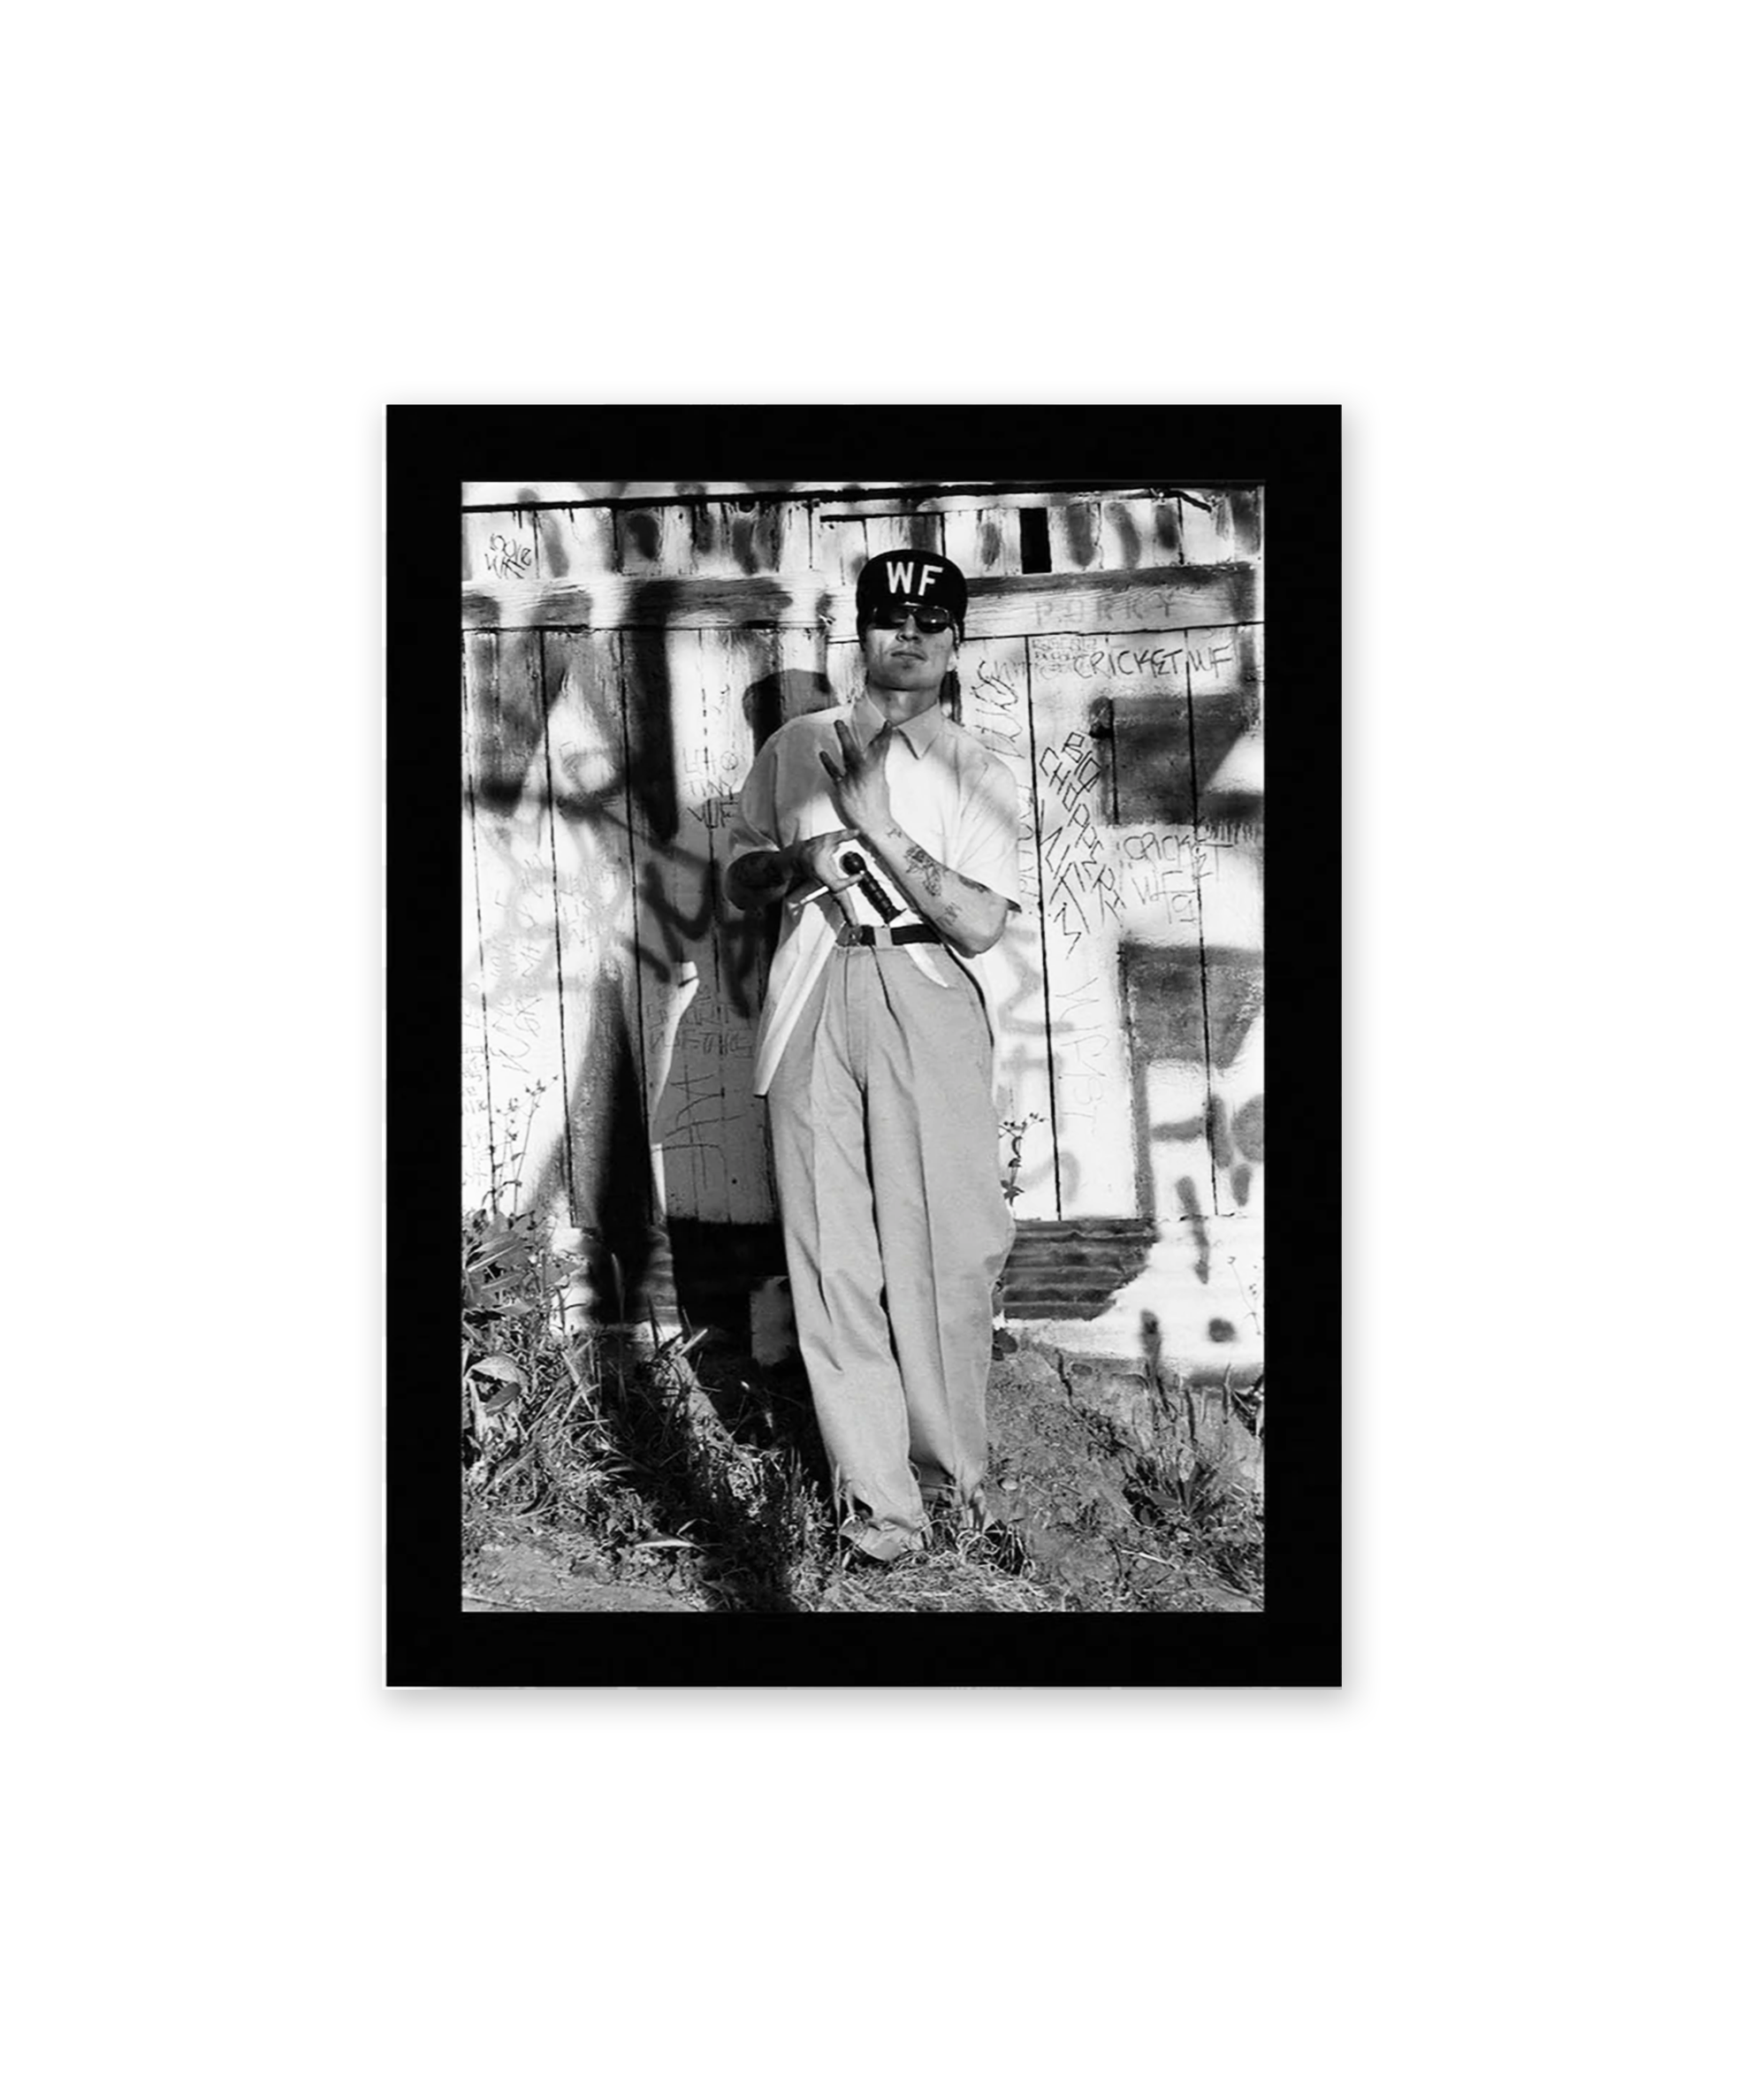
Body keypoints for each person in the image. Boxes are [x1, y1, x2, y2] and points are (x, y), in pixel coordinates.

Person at [725, 550, 1023, 1565]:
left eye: (929, 621)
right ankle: (883, 1511)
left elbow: (979, 923)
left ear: (954, 639)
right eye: (887, 616)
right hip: (813, 992)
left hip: (925, 991)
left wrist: (880, 828)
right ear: (858, 630)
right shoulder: (798, 744)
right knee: (831, 1259)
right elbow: (738, 875)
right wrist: (794, 863)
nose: (908, 634)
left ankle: (955, 1482)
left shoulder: (976, 767)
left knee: (946, 1250)